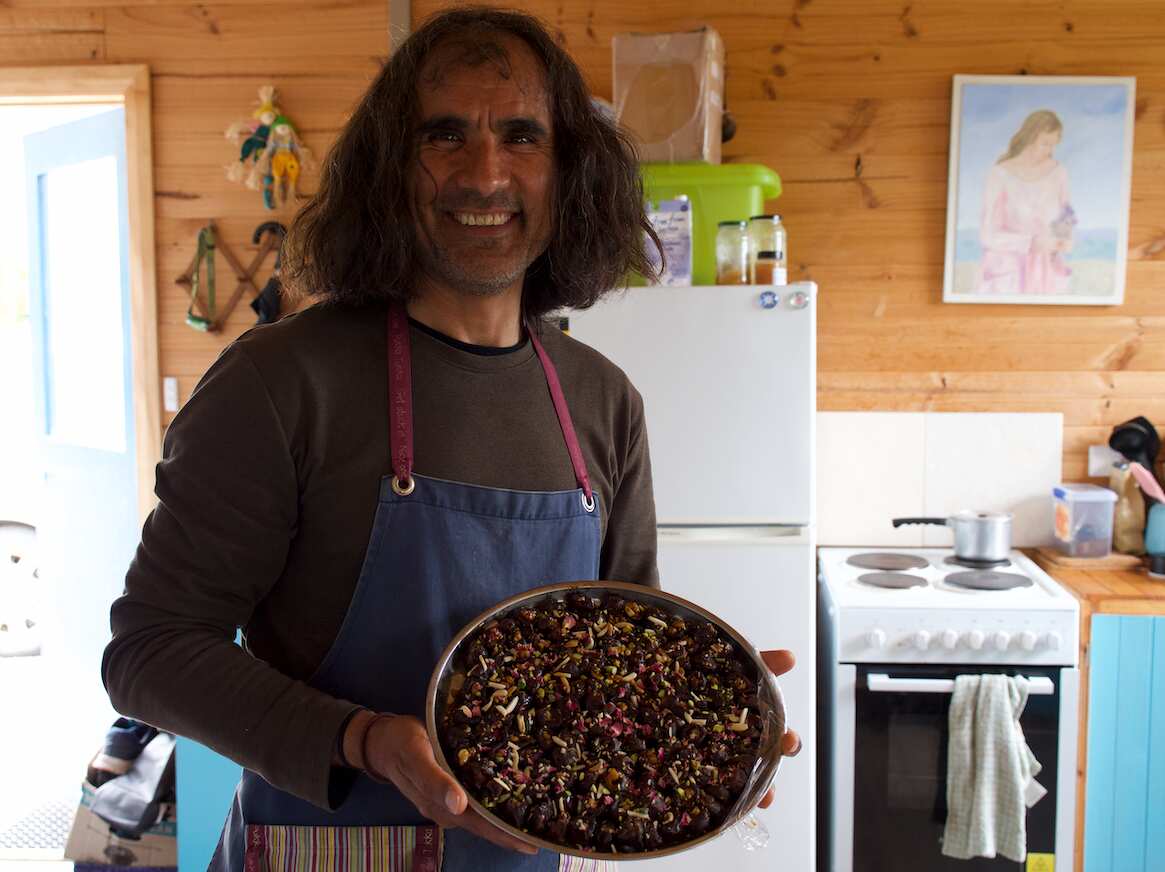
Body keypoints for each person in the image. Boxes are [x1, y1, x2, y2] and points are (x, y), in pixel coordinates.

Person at [101, 8, 800, 871]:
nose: (484, 174)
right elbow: (148, 652)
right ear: (389, 171)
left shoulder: (602, 400)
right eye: (443, 135)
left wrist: (709, 724)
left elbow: (619, 655)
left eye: (521, 136)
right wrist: (362, 739)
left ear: (569, 172)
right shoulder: (281, 382)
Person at [975, 109, 1074, 295]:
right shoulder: (999, 174)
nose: (1050, 151)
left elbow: (1065, 214)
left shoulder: (1059, 172)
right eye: (1045, 144)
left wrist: (1063, 239)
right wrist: (1031, 243)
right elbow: (987, 235)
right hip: (1007, 269)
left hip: (1045, 269)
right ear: (1029, 137)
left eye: (1054, 145)